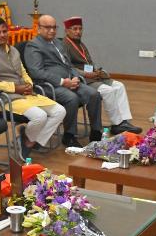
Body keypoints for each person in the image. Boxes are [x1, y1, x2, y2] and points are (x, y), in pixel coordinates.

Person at [0, 18, 66, 159]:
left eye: (4, 31)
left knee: (60, 111)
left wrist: (29, 84)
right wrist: (14, 88)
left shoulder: (13, 51)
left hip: (26, 94)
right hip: (6, 98)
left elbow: (23, 71)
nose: (2, 35)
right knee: (40, 116)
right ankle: (29, 141)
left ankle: (29, 140)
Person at [23, 14, 103, 147]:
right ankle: (69, 135)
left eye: (54, 27)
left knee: (94, 94)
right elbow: (36, 72)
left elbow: (69, 65)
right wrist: (62, 82)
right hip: (48, 85)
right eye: (48, 28)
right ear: (39, 29)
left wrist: (76, 77)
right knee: (71, 98)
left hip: (69, 81)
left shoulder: (58, 43)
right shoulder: (33, 46)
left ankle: (96, 131)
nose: (52, 31)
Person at [62, 16, 142, 135]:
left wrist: (97, 72)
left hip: (93, 76)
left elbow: (87, 63)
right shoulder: (64, 45)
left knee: (119, 86)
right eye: (74, 29)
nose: (78, 31)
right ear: (67, 30)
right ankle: (117, 124)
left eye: (80, 28)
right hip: (83, 80)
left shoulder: (80, 44)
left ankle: (124, 121)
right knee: (108, 91)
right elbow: (69, 68)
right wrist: (87, 74)